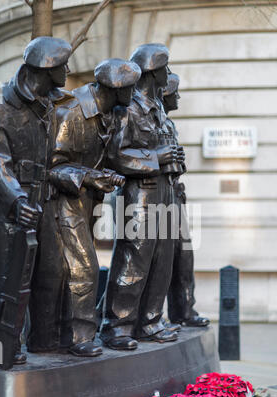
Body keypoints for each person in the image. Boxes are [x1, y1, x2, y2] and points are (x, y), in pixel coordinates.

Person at [27, 58, 142, 357]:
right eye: (131, 87)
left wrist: (107, 175)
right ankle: (80, 337)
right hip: (60, 201)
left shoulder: (111, 114)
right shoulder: (73, 112)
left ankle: (56, 337)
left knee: (67, 271)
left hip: (86, 201)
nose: (135, 92)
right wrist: (90, 178)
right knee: (83, 267)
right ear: (117, 89)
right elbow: (50, 167)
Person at [100, 44, 184, 350]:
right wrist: (156, 156)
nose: (169, 73)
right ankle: (118, 326)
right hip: (140, 193)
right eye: (165, 68)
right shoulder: (129, 108)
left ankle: (150, 321)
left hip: (165, 190)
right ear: (152, 72)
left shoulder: (159, 107)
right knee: (133, 259)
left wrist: (173, 159)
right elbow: (114, 155)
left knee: (162, 259)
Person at [0, 36, 72, 365]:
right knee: (9, 282)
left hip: (45, 203)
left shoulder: (54, 103)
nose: (67, 71)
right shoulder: (2, 106)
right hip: (11, 210)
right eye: (62, 66)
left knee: (52, 273)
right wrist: (15, 200)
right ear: (46, 69)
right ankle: (4, 349)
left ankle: (44, 342)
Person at [162, 73, 210, 328]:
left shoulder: (168, 124)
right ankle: (143, 318)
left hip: (173, 198)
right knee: (153, 262)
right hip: (154, 202)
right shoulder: (150, 120)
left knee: (184, 256)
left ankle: (184, 310)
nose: (178, 97)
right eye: (175, 92)